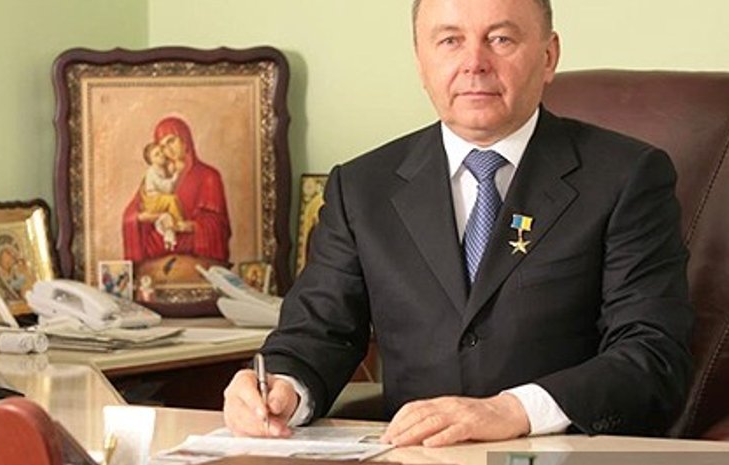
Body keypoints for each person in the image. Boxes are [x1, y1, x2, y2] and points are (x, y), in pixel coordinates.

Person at [224, 0, 693, 448]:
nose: (474, 63)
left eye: (501, 39)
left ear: (548, 56)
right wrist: (282, 388)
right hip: (417, 454)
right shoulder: (362, 187)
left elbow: (652, 353)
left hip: (563, 453)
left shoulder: (625, 177)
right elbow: (317, 333)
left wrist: (513, 411)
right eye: (450, 40)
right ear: (420, 60)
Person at [122, 116, 232, 263]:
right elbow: (131, 216)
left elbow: (218, 226)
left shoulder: (209, 176)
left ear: (185, 139)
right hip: (160, 246)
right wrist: (151, 217)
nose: (167, 150)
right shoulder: (157, 175)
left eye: (171, 141)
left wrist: (187, 226)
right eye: (162, 147)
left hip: (192, 248)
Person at [139, 141, 186, 251]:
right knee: (172, 199)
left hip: (158, 199)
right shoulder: (152, 172)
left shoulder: (161, 168)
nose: (161, 155)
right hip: (152, 201)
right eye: (157, 154)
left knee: (171, 202)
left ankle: (172, 229)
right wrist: (176, 175)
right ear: (151, 161)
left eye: (161, 152)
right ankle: (179, 222)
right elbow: (167, 188)